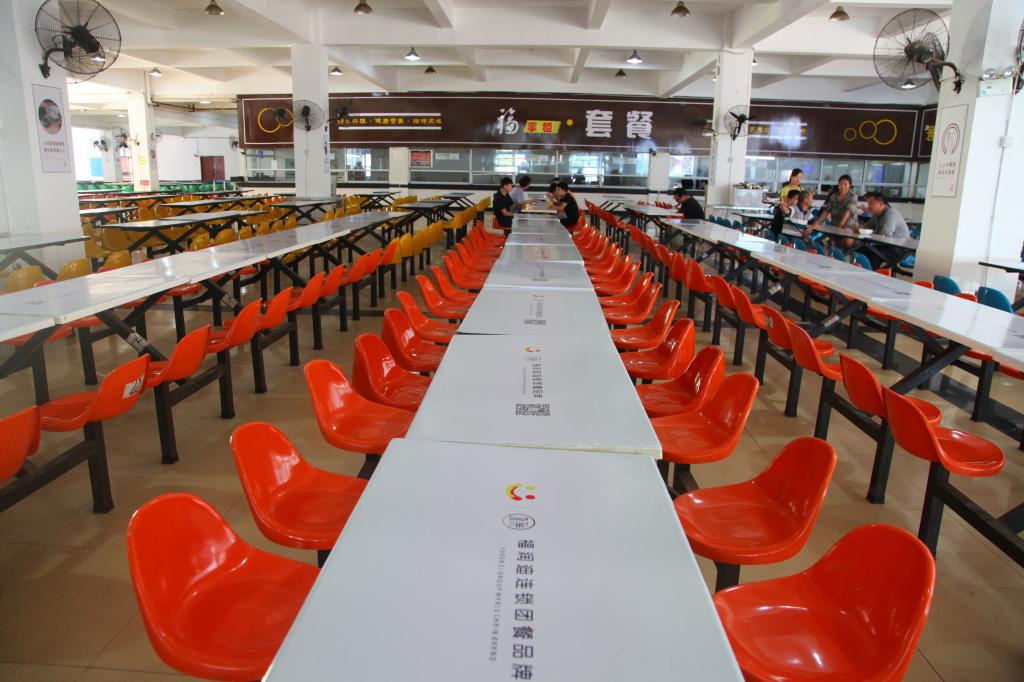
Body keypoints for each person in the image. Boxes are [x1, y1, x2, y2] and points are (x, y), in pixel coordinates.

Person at [805, 174, 857, 240]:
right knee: (824, 238)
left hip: (849, 227)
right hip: (834, 226)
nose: (843, 186)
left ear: (850, 185)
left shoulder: (853, 196)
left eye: (845, 184)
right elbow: (826, 211)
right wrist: (817, 222)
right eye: (841, 184)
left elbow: (848, 211)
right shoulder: (834, 196)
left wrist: (840, 225)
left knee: (846, 241)